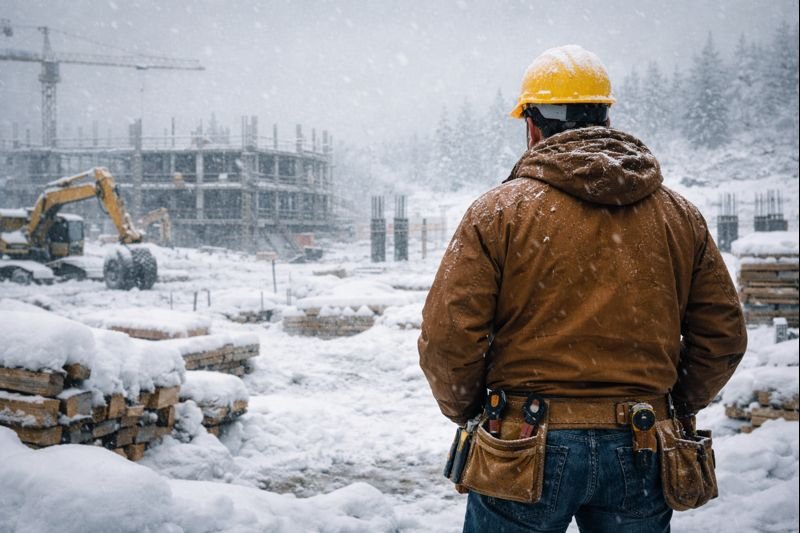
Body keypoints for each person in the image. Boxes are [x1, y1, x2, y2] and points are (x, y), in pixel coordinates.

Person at [418, 44, 747, 533]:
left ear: (531, 125)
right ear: (605, 118)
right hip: (643, 440)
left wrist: (474, 412)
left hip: (521, 443)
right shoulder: (680, 217)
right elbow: (722, 338)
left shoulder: (498, 213)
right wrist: (672, 404)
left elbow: (448, 339)